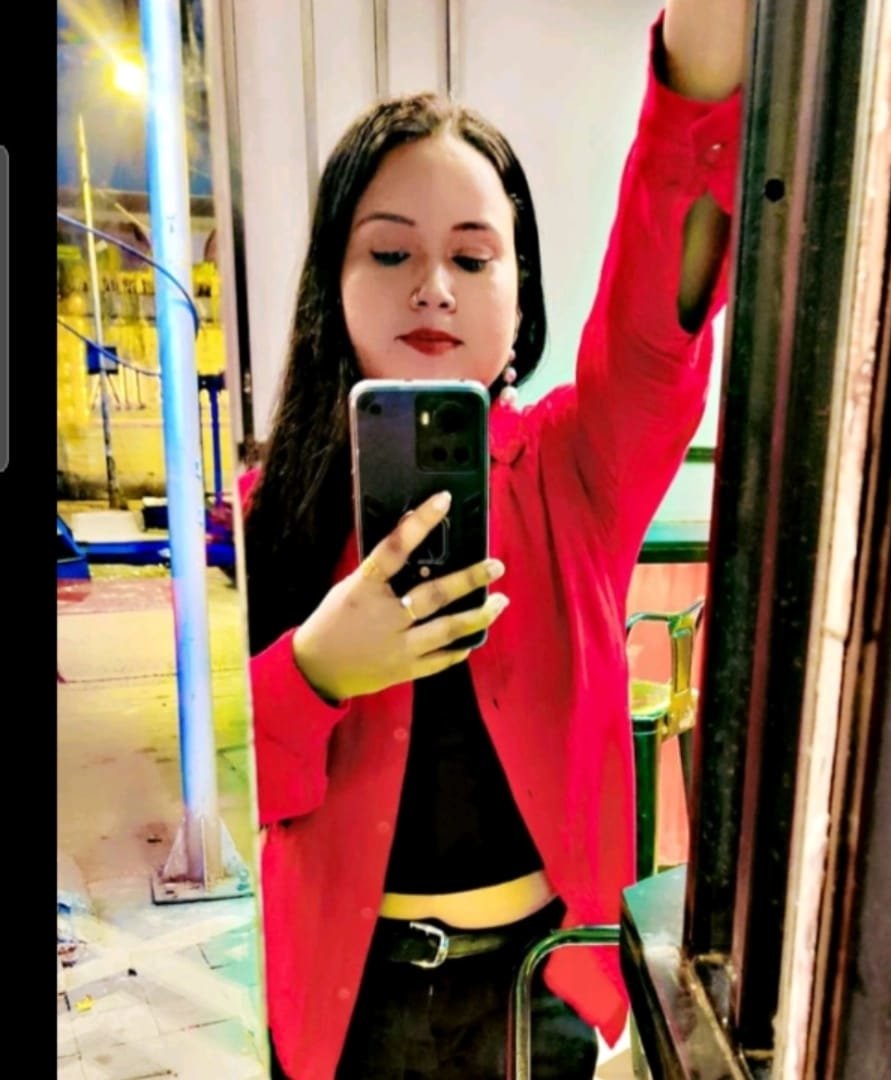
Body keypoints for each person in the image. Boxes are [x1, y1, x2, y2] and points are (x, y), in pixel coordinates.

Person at [239, 2, 747, 1076]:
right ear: (334, 283)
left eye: (474, 259)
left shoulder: (579, 472)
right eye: (390, 252)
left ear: (522, 300)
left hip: (537, 992)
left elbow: (661, 308)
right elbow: (237, 796)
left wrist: (701, 67)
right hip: (342, 1009)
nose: (434, 287)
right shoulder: (271, 504)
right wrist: (317, 672)